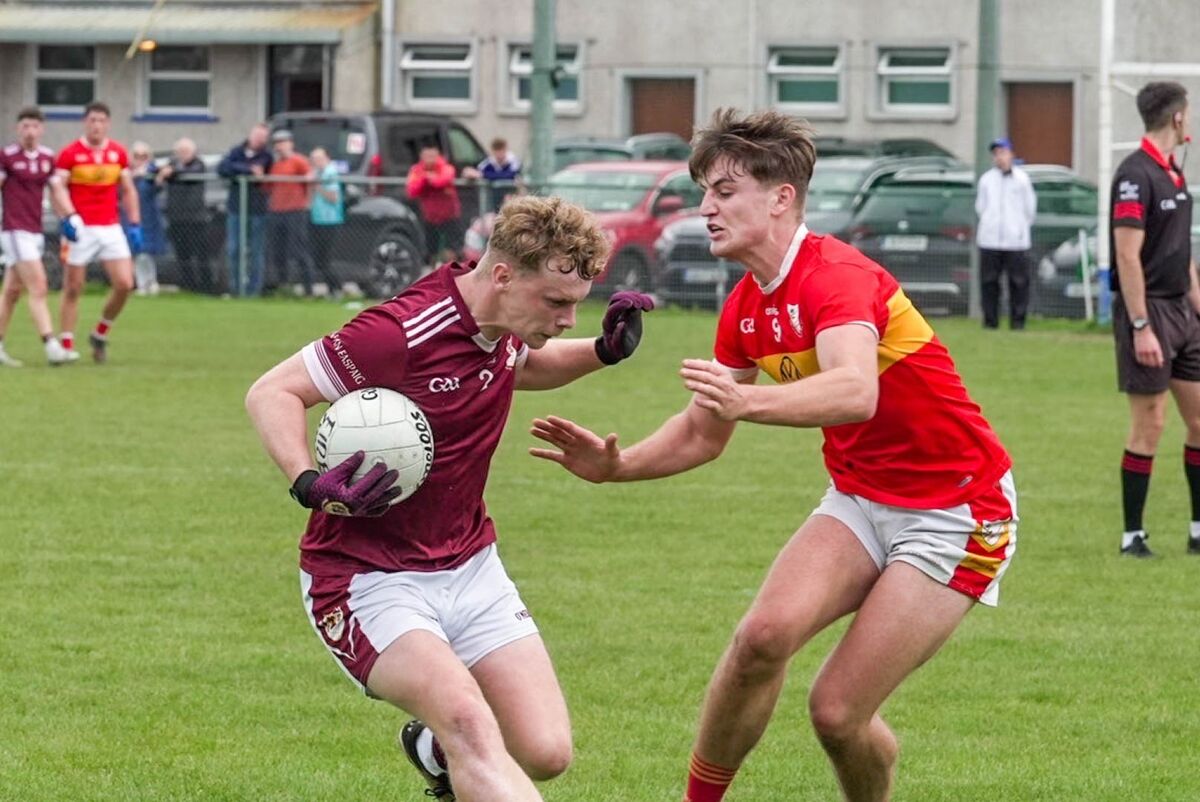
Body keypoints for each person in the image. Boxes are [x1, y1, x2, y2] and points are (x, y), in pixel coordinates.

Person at [529, 109, 1017, 802]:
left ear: (781, 196)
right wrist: (619, 465)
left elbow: (855, 390)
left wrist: (746, 403)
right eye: (704, 191)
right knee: (760, 638)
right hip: (862, 497)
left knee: (837, 713)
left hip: (957, 511)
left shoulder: (836, 276)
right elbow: (704, 432)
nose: (705, 208)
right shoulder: (746, 307)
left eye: (724, 191)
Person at [245, 195, 654, 802]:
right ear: (502, 275)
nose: (569, 319)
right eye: (557, 302)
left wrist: (602, 351)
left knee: (545, 751)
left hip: (471, 566)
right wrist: (309, 482)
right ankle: (455, 745)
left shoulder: (504, 325)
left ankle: (433, 752)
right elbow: (272, 391)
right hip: (365, 580)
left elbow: (525, 364)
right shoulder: (397, 333)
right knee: (470, 724)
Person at [1108, 81, 1198, 558]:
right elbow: (1127, 255)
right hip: (1150, 313)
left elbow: (1182, 253)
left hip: (1183, 311)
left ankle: (1199, 529)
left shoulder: (1175, 174)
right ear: (1178, 118)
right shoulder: (1134, 173)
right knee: (1151, 424)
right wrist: (1141, 325)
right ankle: (1133, 536)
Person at [50, 101, 140, 364]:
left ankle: (100, 333)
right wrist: (67, 217)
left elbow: (128, 189)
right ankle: (66, 343)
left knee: (125, 284)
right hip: (81, 229)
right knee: (74, 287)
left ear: (108, 124)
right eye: (92, 120)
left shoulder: (118, 153)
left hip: (110, 227)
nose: (96, 125)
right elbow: (57, 188)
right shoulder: (70, 154)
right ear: (85, 122)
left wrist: (134, 223)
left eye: (101, 120)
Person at [0, 105, 71, 367]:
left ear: (42, 130)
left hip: (34, 231)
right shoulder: (7, 156)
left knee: (11, 292)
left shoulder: (46, 157)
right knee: (39, 286)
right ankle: (51, 345)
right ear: (18, 129)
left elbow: (57, 191)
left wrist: (71, 217)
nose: (29, 131)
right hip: (14, 230)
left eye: (34, 126)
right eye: (25, 126)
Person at [975, 136, 1037, 329]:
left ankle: (1018, 322)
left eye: (1002, 152)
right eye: (996, 154)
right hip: (990, 240)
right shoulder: (986, 180)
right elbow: (981, 206)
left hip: (1016, 241)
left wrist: (1018, 228)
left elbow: (1029, 209)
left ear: (1011, 154)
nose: (999, 157)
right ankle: (990, 321)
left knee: (1018, 283)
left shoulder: (1022, 180)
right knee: (989, 282)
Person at [217, 123, 273, 296]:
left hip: (257, 210)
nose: (259, 139)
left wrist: (239, 170)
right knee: (234, 249)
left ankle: (253, 290)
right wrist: (248, 169)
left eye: (263, 137)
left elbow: (262, 173)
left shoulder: (267, 156)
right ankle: (235, 288)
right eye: (257, 135)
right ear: (250, 135)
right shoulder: (236, 151)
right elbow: (223, 168)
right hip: (236, 208)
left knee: (256, 251)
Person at [156, 137, 211, 294]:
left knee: (201, 254)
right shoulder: (172, 165)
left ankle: (206, 286)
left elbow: (189, 173)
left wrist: (170, 173)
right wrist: (162, 172)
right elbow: (156, 170)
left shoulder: (198, 164)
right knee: (182, 254)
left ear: (193, 152)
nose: (183, 154)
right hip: (177, 218)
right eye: (180, 151)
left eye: (186, 151)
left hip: (196, 219)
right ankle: (189, 286)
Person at [265, 130, 315, 295]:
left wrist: (308, 202)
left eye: (283, 142)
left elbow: (311, 178)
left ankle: (309, 288)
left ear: (290, 144)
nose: (280, 146)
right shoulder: (276, 165)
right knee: (278, 250)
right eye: (277, 143)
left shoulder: (299, 161)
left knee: (299, 248)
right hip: (277, 211)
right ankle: (283, 284)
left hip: (295, 211)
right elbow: (269, 188)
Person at [406, 144, 465, 264]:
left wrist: (429, 179)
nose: (430, 159)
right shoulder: (416, 170)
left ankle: (452, 273)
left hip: (450, 216)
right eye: (427, 156)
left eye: (433, 156)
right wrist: (426, 178)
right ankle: (434, 274)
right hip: (429, 218)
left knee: (452, 251)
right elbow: (412, 189)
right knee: (431, 252)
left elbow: (443, 180)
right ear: (421, 157)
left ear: (438, 156)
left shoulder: (446, 167)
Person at [123, 141, 164, 296]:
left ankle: (150, 281)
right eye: (137, 156)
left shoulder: (151, 172)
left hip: (149, 216)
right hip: (132, 216)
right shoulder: (126, 173)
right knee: (137, 252)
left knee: (146, 252)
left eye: (144, 156)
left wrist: (154, 174)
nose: (140, 159)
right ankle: (142, 283)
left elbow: (159, 178)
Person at [308, 146, 345, 298]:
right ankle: (333, 288)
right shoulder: (317, 173)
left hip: (330, 220)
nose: (317, 162)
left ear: (327, 159)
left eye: (320, 159)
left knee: (326, 258)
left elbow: (333, 197)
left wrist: (318, 187)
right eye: (314, 159)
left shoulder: (330, 173)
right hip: (317, 219)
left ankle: (336, 287)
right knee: (318, 258)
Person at [478, 136, 522, 210]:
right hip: (493, 197)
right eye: (497, 151)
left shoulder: (513, 161)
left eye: (501, 150)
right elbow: (479, 171)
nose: (499, 154)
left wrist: (487, 175)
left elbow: (510, 175)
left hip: (510, 194)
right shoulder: (488, 163)